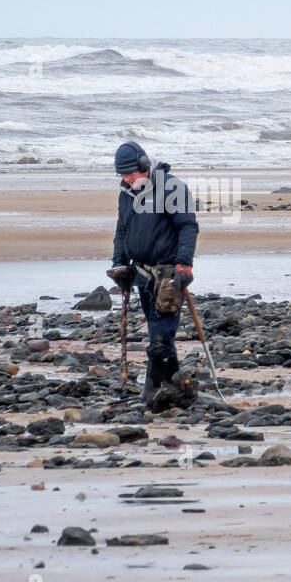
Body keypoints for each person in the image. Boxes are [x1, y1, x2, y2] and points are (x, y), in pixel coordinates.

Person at [106, 141, 198, 406]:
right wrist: (120, 263)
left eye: (131, 173)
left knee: (159, 339)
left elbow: (188, 227)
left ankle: (151, 393)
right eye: (122, 175)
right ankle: (177, 387)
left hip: (169, 274)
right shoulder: (126, 193)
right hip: (142, 273)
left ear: (145, 166)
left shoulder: (172, 188)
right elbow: (121, 231)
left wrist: (184, 264)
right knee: (162, 335)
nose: (126, 179)